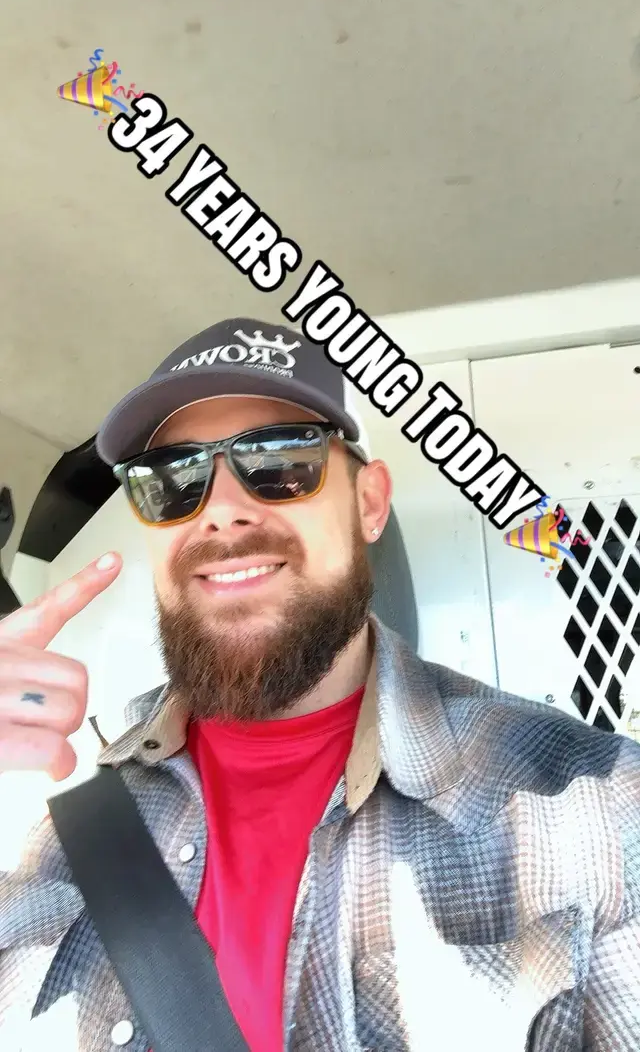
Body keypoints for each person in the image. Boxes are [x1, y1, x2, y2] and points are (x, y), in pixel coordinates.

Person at [0, 315, 638, 1052]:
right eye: (172, 478)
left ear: (369, 503)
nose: (221, 511)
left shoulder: (594, 806)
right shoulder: (59, 827)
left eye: (278, 458)